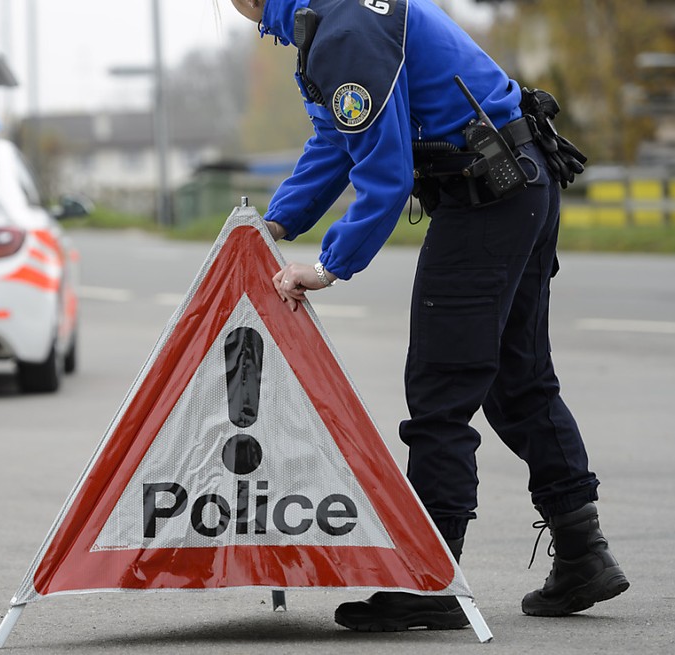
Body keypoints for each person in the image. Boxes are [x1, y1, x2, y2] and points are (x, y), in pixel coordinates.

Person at [227, 0, 629, 632]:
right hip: (520, 181)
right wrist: (275, 222)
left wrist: (329, 266)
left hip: (487, 194)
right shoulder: (334, 17)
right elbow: (339, 136)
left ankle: (432, 578)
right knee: (517, 379)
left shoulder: (345, 31)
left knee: (441, 388)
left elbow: (385, 174)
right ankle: (583, 555)